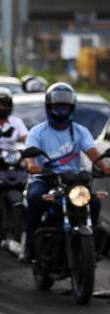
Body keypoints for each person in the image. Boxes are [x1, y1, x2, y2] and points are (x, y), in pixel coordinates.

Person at [19, 82, 110, 262]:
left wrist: (105, 167)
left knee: (95, 204)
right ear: (49, 107)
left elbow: (93, 154)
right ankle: (29, 246)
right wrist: (32, 165)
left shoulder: (80, 131)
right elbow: (30, 157)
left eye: (65, 107)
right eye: (56, 107)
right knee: (35, 198)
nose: (60, 111)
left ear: (71, 108)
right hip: (45, 178)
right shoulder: (38, 132)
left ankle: (90, 244)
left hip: (73, 181)